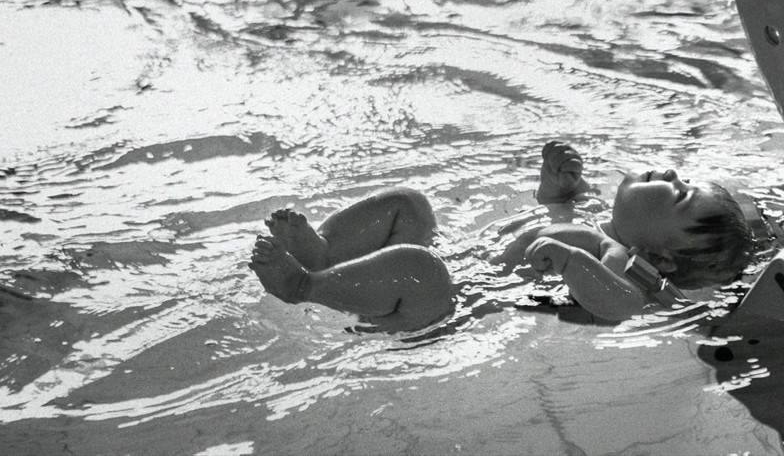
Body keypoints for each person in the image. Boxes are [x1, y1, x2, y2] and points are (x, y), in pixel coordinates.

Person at [248, 141, 754, 331]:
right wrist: (555, 185)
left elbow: (621, 305)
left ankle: (304, 286)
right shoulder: (591, 211)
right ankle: (325, 254)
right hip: (450, 258)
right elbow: (550, 211)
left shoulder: (619, 257)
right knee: (410, 204)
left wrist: (572, 263)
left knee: (419, 267)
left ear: (662, 258)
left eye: (680, 194)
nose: (672, 173)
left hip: (445, 304)